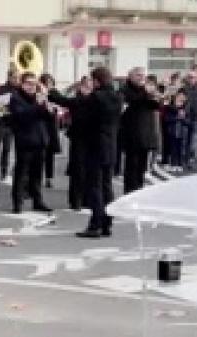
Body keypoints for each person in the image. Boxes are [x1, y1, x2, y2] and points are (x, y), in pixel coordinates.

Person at [77, 67, 123, 238]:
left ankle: (95, 224)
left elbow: (84, 118)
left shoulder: (96, 97)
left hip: (95, 144)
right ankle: (107, 223)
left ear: (97, 80)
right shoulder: (118, 97)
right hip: (111, 145)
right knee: (107, 186)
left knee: (95, 186)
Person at [8, 71, 53, 213]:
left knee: (37, 173)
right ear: (22, 84)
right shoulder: (15, 98)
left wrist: (48, 107)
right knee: (21, 173)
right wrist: (38, 106)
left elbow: (47, 117)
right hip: (25, 140)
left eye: (34, 84)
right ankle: (17, 202)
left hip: (40, 140)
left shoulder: (38, 97)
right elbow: (22, 115)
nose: (31, 86)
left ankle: (37, 201)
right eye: (28, 83)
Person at [49, 76, 93, 211]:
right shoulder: (78, 100)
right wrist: (52, 90)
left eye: (89, 86)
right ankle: (76, 200)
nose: (87, 89)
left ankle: (86, 199)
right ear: (81, 87)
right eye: (85, 86)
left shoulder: (94, 99)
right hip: (79, 137)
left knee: (89, 170)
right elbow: (64, 101)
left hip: (92, 138)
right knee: (78, 169)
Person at [121, 67, 160, 194]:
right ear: (130, 76)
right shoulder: (125, 89)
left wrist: (156, 97)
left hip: (146, 134)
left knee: (141, 168)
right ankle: (129, 193)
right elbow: (134, 101)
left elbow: (156, 106)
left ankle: (139, 191)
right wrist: (146, 92)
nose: (142, 77)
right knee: (131, 167)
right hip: (132, 134)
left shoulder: (147, 91)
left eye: (143, 75)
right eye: (138, 75)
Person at [39, 73, 62, 189]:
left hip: (51, 125)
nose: (49, 85)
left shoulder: (55, 93)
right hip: (42, 125)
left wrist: (57, 108)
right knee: (40, 153)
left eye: (50, 82)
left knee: (49, 154)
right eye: (47, 82)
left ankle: (49, 178)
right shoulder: (39, 94)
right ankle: (38, 177)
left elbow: (61, 107)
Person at [0, 70, 19, 181]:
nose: (16, 80)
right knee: (3, 148)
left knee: (11, 149)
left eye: (18, 77)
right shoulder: (2, 89)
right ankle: (2, 171)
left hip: (14, 123)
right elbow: (0, 108)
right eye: (14, 77)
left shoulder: (19, 90)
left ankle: (9, 171)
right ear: (9, 77)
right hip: (3, 123)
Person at [162, 89, 190, 173]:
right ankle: (173, 164)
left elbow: (188, 121)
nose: (181, 99)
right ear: (176, 97)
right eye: (179, 96)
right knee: (173, 148)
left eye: (183, 97)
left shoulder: (186, 107)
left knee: (181, 148)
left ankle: (180, 164)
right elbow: (166, 119)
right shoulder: (170, 107)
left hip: (182, 131)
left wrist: (183, 118)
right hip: (172, 131)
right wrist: (177, 117)